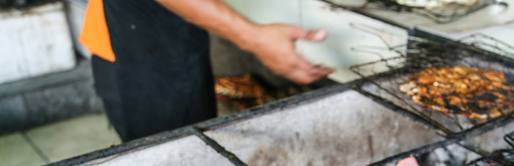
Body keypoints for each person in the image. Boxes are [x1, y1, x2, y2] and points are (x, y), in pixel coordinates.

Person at [79, 0, 331, 142]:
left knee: (196, 141)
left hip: (179, 38)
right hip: (135, 48)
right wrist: (254, 38)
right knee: (167, 157)